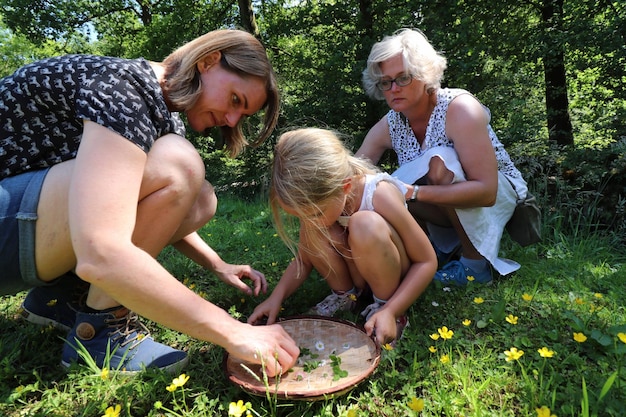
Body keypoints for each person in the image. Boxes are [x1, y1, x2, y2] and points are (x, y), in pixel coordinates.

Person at [0, 29, 299, 376]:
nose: (232, 121)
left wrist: (218, 265)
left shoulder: (165, 114)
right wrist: (233, 331)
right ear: (208, 61)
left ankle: (62, 300)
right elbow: (100, 250)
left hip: (21, 229)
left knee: (200, 197)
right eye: (235, 100)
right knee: (179, 165)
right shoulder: (122, 88)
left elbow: (128, 201)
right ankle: (100, 332)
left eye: (242, 115)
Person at [356, 28, 529, 286]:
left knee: (439, 161)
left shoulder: (459, 108)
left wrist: (410, 192)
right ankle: (428, 254)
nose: (393, 89)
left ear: (424, 74)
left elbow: (487, 191)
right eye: (385, 82)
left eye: (403, 78)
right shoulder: (390, 124)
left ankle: (474, 266)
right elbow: (354, 172)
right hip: (443, 205)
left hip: (496, 199)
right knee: (376, 185)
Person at [247, 128, 436, 345]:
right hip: (358, 271)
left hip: (392, 273)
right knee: (315, 228)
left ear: (345, 186)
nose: (307, 222)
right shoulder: (319, 205)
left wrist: (392, 310)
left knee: (364, 223)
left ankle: (386, 309)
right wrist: (275, 298)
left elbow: (426, 261)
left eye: (315, 213)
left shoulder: (379, 194)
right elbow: (304, 259)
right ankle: (346, 297)